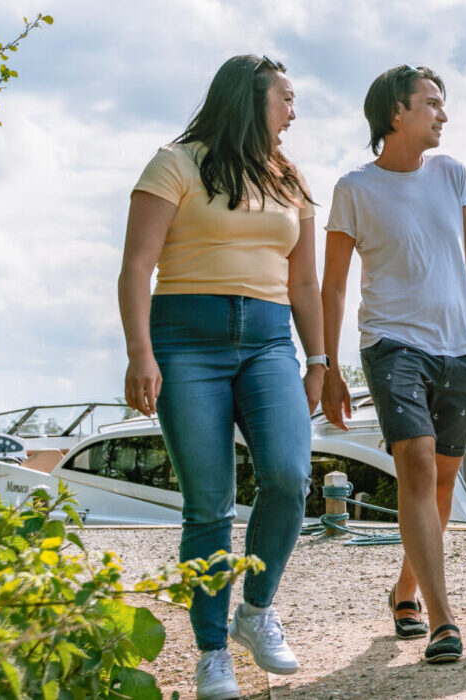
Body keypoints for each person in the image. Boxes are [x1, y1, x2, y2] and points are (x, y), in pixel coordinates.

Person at [118, 54, 321, 700]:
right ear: (249, 99)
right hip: (184, 343)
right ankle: (212, 653)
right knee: (207, 505)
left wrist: (319, 360)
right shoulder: (175, 164)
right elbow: (136, 267)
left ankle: (255, 612)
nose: (294, 110)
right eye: (285, 98)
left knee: (289, 476)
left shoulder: (293, 180)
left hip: (268, 344)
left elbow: (305, 282)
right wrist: (139, 352)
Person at [320, 65, 466, 663]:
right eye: (432, 103)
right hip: (393, 345)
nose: (443, 114)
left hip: (464, 350)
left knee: (443, 483)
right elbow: (335, 289)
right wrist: (329, 367)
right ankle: (443, 621)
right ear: (397, 113)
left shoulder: (452, 174)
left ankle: (404, 589)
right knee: (418, 468)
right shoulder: (354, 188)